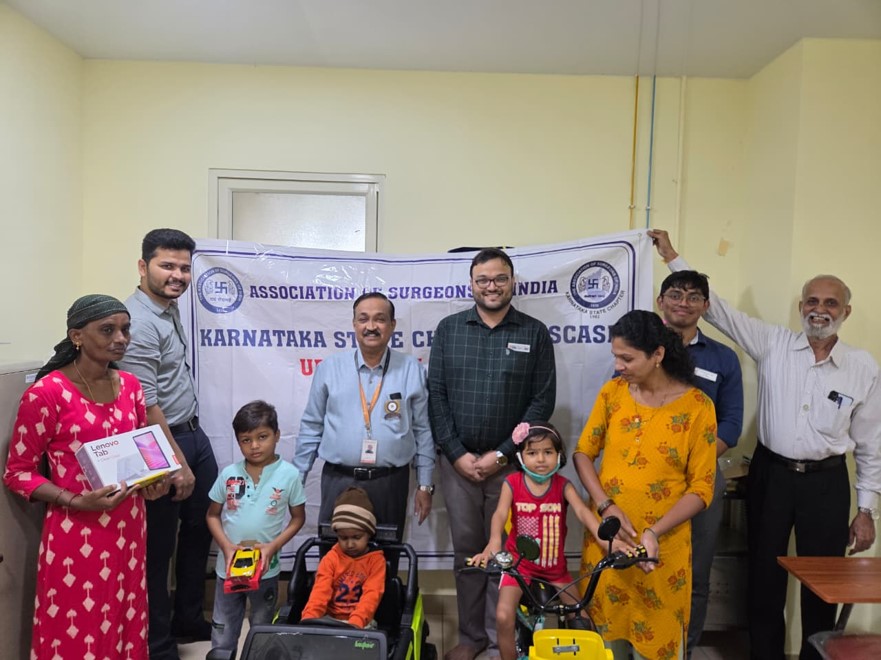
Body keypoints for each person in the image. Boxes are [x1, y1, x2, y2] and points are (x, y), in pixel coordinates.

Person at [648, 229, 881, 660]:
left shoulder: (862, 367)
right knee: (763, 578)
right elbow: (714, 308)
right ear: (801, 307)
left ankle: (815, 655)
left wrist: (866, 510)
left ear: (845, 311)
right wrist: (671, 257)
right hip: (771, 475)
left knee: (823, 581)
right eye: (812, 301)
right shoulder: (772, 343)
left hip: (827, 484)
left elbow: (871, 444)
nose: (820, 309)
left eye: (830, 303)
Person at [3, 294, 170, 659]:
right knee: (78, 628)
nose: (121, 338)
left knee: (126, 620)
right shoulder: (46, 394)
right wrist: (75, 499)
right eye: (107, 330)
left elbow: (143, 454)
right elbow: (18, 472)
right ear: (76, 336)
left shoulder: (130, 387)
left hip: (129, 528)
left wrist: (154, 482)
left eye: (125, 329)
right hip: (77, 531)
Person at [428, 247, 556, 660]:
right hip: (458, 464)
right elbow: (437, 397)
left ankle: (499, 633)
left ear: (512, 281)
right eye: (483, 279)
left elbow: (541, 402)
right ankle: (471, 638)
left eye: (500, 278)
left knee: (508, 553)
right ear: (471, 283)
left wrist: (502, 455)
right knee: (468, 552)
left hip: (511, 468)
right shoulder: (449, 329)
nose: (491, 286)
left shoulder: (534, 333)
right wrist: (456, 453)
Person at [574, 310, 717, 660]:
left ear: (657, 355)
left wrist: (653, 531)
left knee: (657, 645)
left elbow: (702, 489)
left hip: (660, 552)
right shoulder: (613, 393)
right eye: (615, 357)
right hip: (608, 542)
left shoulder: (698, 407)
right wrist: (606, 505)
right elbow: (582, 453)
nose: (619, 365)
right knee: (606, 645)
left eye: (627, 358)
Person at [118, 228, 216, 658]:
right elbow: (146, 405)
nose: (177, 275)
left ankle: (188, 620)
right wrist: (177, 463)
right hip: (159, 441)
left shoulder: (166, 308)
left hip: (192, 433)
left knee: (201, 532)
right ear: (143, 267)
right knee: (158, 551)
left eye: (183, 267)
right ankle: (158, 645)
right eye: (167, 266)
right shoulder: (135, 322)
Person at [470, 422, 635, 660]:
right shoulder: (513, 483)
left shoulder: (563, 486)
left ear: (559, 455)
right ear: (520, 456)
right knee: (504, 616)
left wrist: (605, 540)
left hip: (556, 571)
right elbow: (499, 514)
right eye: (532, 452)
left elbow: (582, 512)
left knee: (583, 623)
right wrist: (494, 541)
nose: (540, 459)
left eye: (548, 452)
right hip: (519, 567)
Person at [293, 292, 435, 543]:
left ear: (392, 326)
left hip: (390, 484)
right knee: (335, 561)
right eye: (363, 319)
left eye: (380, 319)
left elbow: (423, 431)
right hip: (339, 480)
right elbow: (312, 426)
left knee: (385, 560)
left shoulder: (411, 369)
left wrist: (424, 485)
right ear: (354, 325)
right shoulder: (330, 368)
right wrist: (296, 482)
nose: (371, 327)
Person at [655, 269, 744, 655]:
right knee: (648, 565)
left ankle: (683, 649)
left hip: (703, 478)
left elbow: (732, 423)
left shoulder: (723, 358)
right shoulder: (642, 350)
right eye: (675, 294)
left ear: (705, 307)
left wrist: (699, 460)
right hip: (650, 478)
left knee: (697, 574)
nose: (684, 302)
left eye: (694, 297)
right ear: (661, 301)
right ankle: (648, 644)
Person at [206, 400, 306, 654]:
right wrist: (226, 547)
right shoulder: (229, 473)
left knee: (262, 631)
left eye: (262, 437)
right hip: (227, 568)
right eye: (246, 440)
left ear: (277, 435)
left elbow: (298, 518)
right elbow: (212, 515)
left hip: (266, 570)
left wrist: (273, 546)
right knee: (223, 629)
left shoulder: (289, 474)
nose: (255, 446)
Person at [300, 486, 387, 628]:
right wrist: (309, 619)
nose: (350, 544)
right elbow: (320, 592)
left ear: (369, 534)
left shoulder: (376, 561)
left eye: (357, 537)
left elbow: (372, 595)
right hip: (329, 620)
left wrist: (356, 623)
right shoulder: (331, 558)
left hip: (362, 622)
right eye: (343, 537)